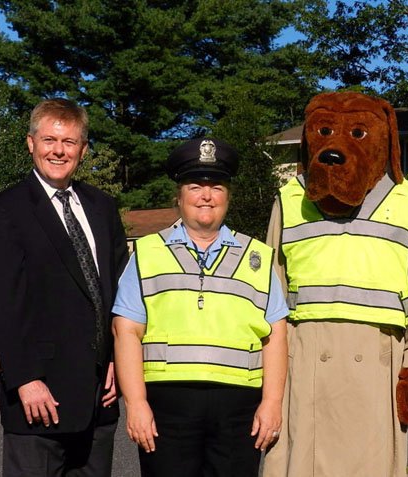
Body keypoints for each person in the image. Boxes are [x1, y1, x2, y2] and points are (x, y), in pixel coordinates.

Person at [263, 91, 408, 477]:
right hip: (304, 361)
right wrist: (266, 375)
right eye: (324, 131)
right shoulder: (289, 199)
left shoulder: (406, 200)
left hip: (379, 363)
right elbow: (270, 296)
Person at [112, 138, 288, 477]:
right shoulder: (147, 254)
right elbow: (126, 332)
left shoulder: (258, 258)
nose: (206, 196)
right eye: (195, 186)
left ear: (228, 197)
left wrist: (272, 403)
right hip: (167, 408)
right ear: (179, 197)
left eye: (216, 187)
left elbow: (276, 336)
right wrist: (136, 404)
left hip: (240, 412)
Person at [0, 98, 129, 476]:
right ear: (30, 143)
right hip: (39, 398)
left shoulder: (102, 207)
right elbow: (2, 305)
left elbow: (120, 293)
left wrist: (118, 359)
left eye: (69, 142)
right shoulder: (5, 211)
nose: (58, 151)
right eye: (49, 140)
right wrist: (26, 380)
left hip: (100, 396)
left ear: (83, 149)